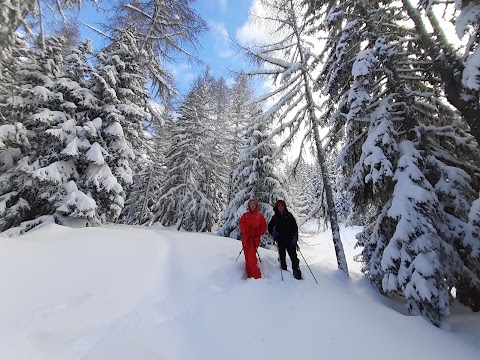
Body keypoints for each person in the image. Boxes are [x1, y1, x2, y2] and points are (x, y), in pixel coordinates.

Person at [268, 200, 302, 280]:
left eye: (282, 205)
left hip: (290, 240)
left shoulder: (289, 215)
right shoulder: (275, 217)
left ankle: (296, 272)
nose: (280, 207)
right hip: (280, 241)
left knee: (294, 257)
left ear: (284, 207)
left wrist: (295, 238)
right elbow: (269, 227)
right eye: (279, 206)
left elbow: (295, 228)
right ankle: (284, 272)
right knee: (282, 258)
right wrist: (273, 233)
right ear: (277, 207)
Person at [239, 198, 267, 279]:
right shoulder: (245, 215)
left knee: (251, 257)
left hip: (255, 239)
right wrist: (247, 229)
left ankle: (257, 277)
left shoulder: (260, 216)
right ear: (249, 205)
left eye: (254, 204)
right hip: (246, 238)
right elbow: (241, 224)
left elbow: (263, 227)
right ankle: (249, 275)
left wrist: (256, 231)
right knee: (247, 257)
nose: (252, 206)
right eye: (250, 204)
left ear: (256, 205)